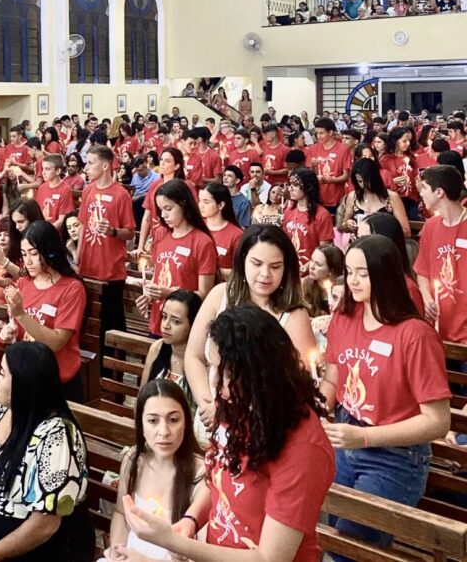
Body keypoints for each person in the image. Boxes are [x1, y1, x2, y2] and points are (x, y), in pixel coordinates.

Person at [124, 305, 334, 562]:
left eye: (225, 372)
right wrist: (191, 520)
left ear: (258, 373)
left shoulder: (303, 448)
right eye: (213, 367)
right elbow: (218, 478)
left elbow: (269, 558)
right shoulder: (237, 405)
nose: (214, 382)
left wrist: (174, 542)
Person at [322, 235, 450, 558]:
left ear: (385, 274)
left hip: (395, 456)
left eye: (362, 273)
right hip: (346, 437)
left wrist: (364, 438)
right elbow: (333, 378)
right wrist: (316, 406)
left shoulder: (415, 335)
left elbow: (437, 421)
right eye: (349, 271)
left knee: (349, 547)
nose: (352, 281)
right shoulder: (343, 317)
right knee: (336, 535)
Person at [0, 342, 93, 562]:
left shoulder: (56, 437)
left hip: (37, 552)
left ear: (23, 383)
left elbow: (45, 524)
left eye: (2, 373)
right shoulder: (3, 411)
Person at [185, 225, 317, 444]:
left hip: (260, 427)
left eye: (275, 266)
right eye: (257, 264)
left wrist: (234, 410)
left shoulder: (294, 316)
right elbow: (194, 355)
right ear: (242, 261)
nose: (265, 274)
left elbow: (296, 385)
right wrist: (208, 403)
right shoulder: (220, 295)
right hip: (211, 417)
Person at [104, 379, 205, 562]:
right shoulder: (134, 460)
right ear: (141, 425)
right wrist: (118, 549)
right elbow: (120, 512)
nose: (164, 431)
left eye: (173, 420)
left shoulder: (201, 475)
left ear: (186, 422)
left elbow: (201, 553)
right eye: (153, 420)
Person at [0, 221, 87, 402]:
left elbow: (56, 342)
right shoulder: (23, 283)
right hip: (26, 373)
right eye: (24, 254)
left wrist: (21, 315)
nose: (28, 261)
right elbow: (17, 326)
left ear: (49, 251)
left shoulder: (72, 288)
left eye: (34, 253)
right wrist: (9, 331)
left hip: (57, 379)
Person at [137, 180, 216, 337]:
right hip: (159, 319)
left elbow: (204, 293)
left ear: (183, 204)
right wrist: (150, 294)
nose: (163, 215)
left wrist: (170, 294)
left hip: (184, 323)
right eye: (161, 210)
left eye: (168, 209)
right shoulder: (160, 234)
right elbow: (159, 275)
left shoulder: (202, 242)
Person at [77, 145, 135, 353]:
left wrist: (113, 231)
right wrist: (78, 258)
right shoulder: (88, 190)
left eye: (91, 163)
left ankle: (114, 364)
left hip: (111, 271)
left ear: (105, 166)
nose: (86, 167)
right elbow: (83, 226)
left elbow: (130, 232)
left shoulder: (121, 194)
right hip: (88, 266)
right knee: (89, 321)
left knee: (112, 322)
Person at [414, 166, 467, 343]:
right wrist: (426, 297)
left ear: (439, 192)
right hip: (438, 325)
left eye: (424, 188)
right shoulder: (430, 226)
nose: (421, 193)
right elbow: (422, 271)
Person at [141, 290, 202, 412]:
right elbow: (142, 397)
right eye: (164, 317)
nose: (166, 325)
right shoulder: (157, 348)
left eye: (176, 321)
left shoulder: (202, 359)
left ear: (193, 324)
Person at [358, 212, 424, 314]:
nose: (357, 245)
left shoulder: (406, 289)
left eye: (365, 240)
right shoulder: (358, 281)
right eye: (357, 238)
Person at [339, 158, 411, 238]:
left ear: (375, 178)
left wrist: (379, 230)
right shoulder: (353, 197)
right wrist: (347, 225)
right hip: (359, 242)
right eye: (360, 181)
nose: (364, 185)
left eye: (367, 181)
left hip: (383, 242)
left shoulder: (392, 197)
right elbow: (342, 225)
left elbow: (406, 231)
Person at [283, 168, 334, 275]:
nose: (290, 189)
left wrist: (302, 270)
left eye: (295, 185)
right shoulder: (288, 211)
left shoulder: (322, 215)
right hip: (289, 270)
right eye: (289, 184)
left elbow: (324, 251)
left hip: (312, 273)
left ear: (308, 187)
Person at [306, 118, 352, 214]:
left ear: (330, 132)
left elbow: (346, 176)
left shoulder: (343, 149)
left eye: (321, 133)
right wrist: (313, 167)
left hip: (336, 198)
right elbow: (309, 175)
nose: (318, 136)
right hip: (317, 197)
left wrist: (329, 180)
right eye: (316, 133)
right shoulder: (313, 149)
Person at [198, 183, 243, 279]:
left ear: (221, 205)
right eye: (199, 200)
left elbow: (240, 272)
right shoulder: (197, 227)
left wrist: (209, 270)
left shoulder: (236, 235)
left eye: (206, 202)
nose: (201, 205)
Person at [36, 154, 74, 231]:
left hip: (54, 232)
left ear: (57, 171)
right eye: (43, 168)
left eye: (47, 169)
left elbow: (62, 220)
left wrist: (44, 232)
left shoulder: (65, 189)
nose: (43, 172)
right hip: (40, 228)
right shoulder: (42, 187)